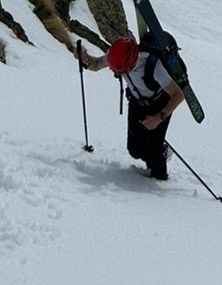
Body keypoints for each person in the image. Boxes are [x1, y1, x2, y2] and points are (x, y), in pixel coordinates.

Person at [78, 35, 186, 181]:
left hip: (160, 106)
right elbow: (96, 64)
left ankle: (159, 180)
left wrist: (160, 117)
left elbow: (178, 94)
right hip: (137, 103)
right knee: (134, 150)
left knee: (154, 154)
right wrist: (84, 58)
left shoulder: (154, 66)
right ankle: (160, 149)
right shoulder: (116, 56)